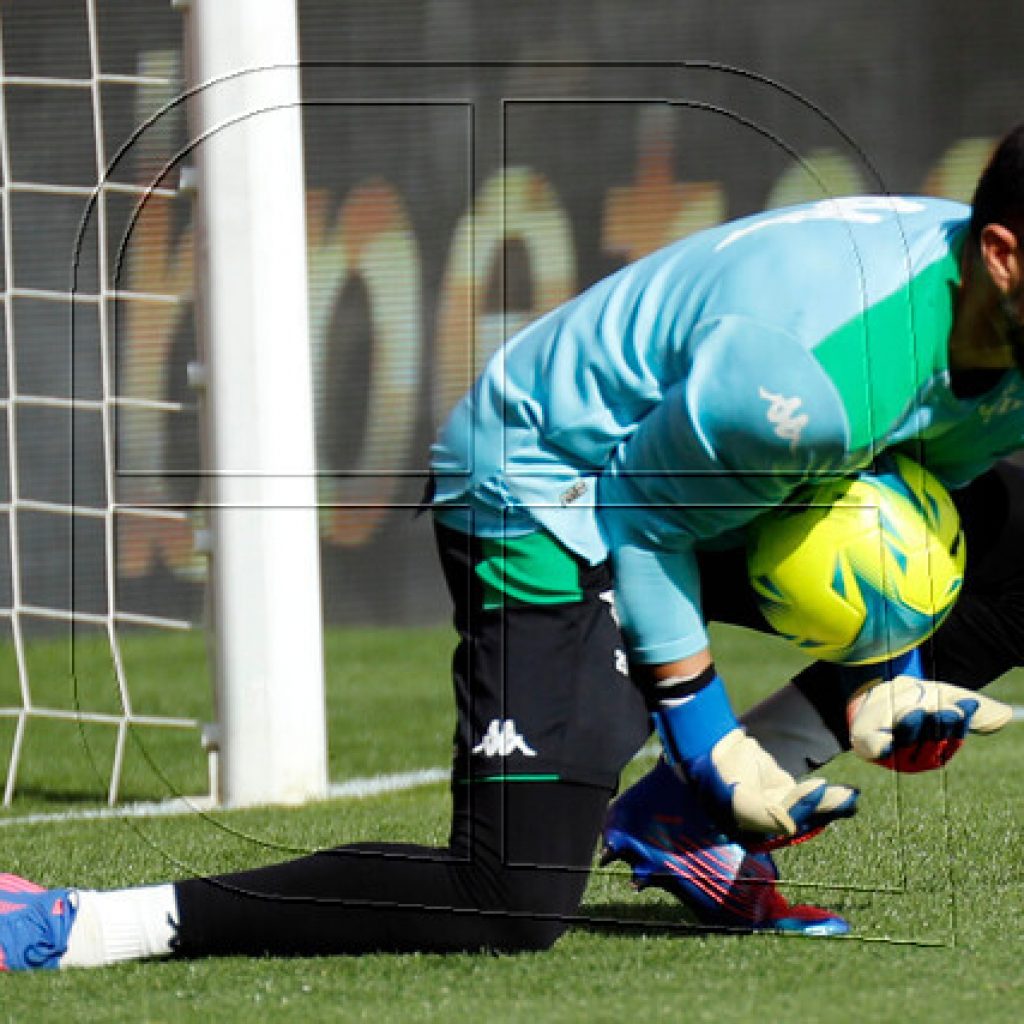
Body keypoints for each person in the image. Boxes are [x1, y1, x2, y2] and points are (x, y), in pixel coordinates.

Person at [3, 125, 1024, 970]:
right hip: (549, 486)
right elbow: (642, 515)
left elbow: (899, 460)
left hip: (734, 481)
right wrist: (713, 744)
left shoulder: (959, 337)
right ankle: (80, 922)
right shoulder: (804, 382)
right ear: (1002, 256)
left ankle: (673, 824)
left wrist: (888, 664)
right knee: (507, 897)